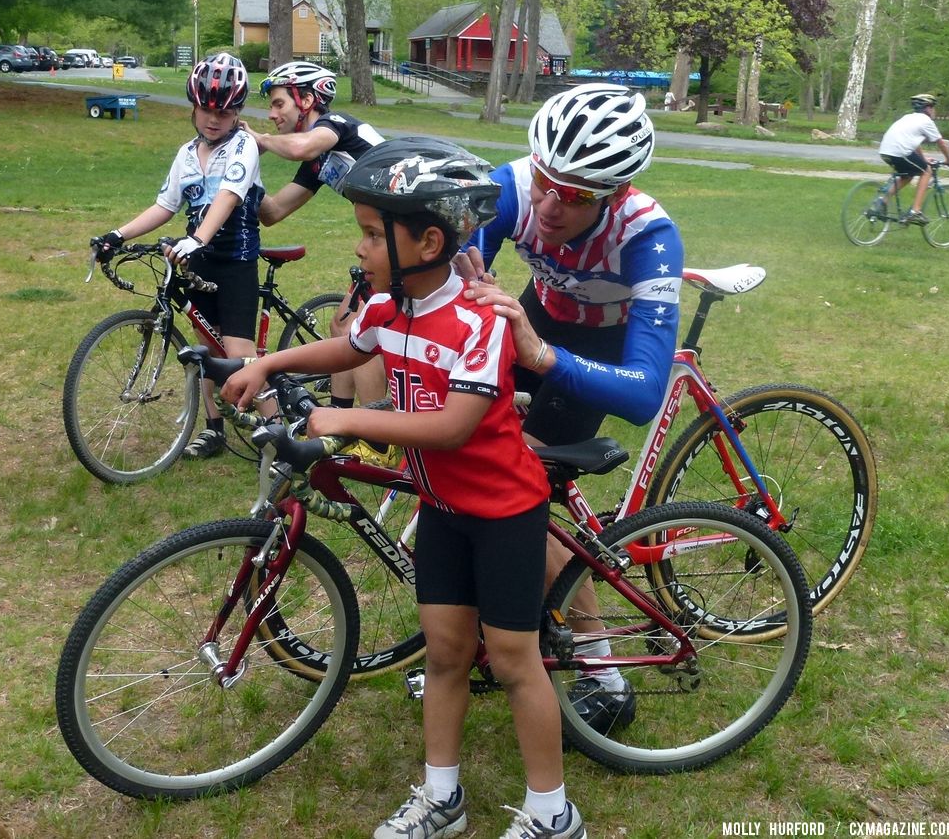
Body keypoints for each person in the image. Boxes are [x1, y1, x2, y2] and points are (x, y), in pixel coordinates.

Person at [221, 137, 588, 839]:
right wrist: (269, 363)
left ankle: (553, 813)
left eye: (369, 233)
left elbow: (453, 427)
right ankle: (442, 797)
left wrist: (347, 416)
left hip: (505, 513)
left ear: (426, 241)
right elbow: (351, 347)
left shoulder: (480, 319)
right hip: (444, 511)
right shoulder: (390, 306)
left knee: (513, 660)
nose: (358, 248)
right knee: (446, 653)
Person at [456, 82, 683, 735]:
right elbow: (460, 281)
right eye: (548, 182)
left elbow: (642, 394)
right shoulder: (512, 187)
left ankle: (601, 670)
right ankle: (470, 634)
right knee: (464, 460)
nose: (551, 205)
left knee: (525, 498)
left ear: (613, 193)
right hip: (540, 314)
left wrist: (544, 358)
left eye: (577, 194)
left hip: (597, 347)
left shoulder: (649, 237)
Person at [91, 52, 265, 460]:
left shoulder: (245, 145)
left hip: (235, 262)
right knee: (204, 351)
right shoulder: (187, 153)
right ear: (194, 105)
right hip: (197, 259)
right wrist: (117, 234)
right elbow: (165, 207)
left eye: (224, 111)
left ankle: (277, 434)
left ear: (238, 111)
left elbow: (228, 196)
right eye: (206, 108)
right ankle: (214, 430)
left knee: (240, 357)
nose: (214, 119)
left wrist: (199, 237)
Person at [243, 60, 387, 409]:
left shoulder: (333, 125)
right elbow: (274, 212)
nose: (273, 114)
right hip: (386, 239)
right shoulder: (318, 163)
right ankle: (339, 419)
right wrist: (245, 177)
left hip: (406, 234)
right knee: (342, 328)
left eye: (279, 104)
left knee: (358, 333)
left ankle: (379, 442)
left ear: (306, 100)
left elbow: (301, 146)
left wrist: (259, 140)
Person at [876, 93, 949, 225]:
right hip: (900, 152)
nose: (934, 111)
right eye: (933, 107)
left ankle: (883, 201)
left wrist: (923, 157)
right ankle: (915, 211)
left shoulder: (908, 118)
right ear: (928, 108)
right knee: (927, 171)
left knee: (907, 176)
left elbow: (913, 142)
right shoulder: (927, 121)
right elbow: (941, 143)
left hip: (885, 151)